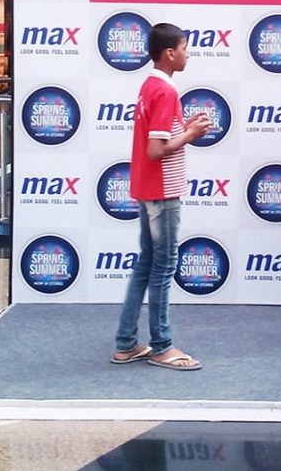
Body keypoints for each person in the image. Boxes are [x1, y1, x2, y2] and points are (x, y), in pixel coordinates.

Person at [112, 23, 211, 371]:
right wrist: (192, 134)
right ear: (170, 53)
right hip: (162, 189)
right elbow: (157, 150)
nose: (188, 54)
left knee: (147, 263)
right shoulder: (165, 91)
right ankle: (161, 346)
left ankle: (126, 344)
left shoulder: (151, 85)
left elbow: (156, 142)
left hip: (150, 187)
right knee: (163, 265)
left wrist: (186, 130)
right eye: (185, 48)